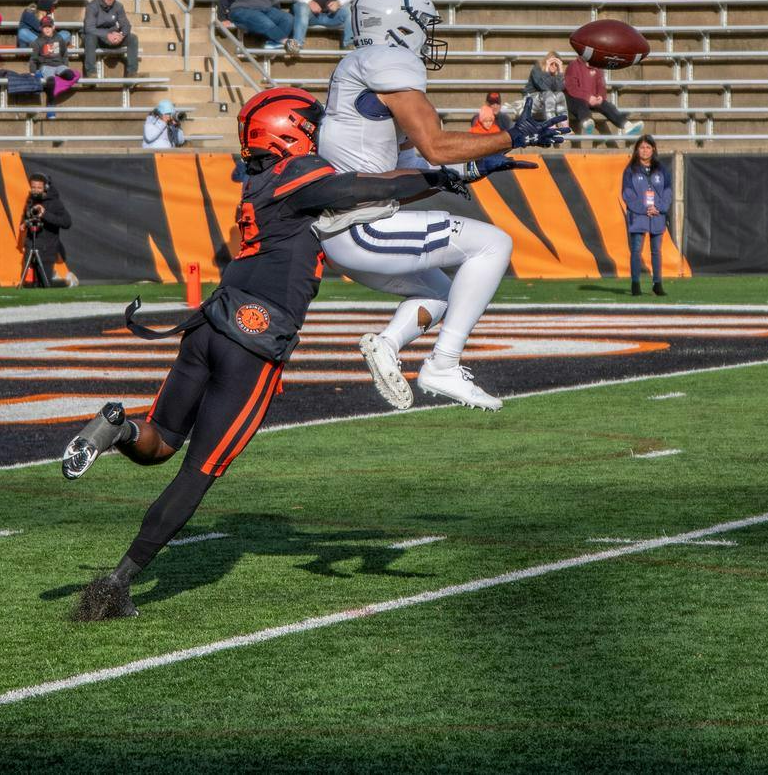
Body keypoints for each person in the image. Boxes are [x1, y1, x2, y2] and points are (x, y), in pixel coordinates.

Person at [60, 87, 483, 621]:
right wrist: (449, 173)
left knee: (160, 442)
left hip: (211, 323)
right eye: (310, 124)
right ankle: (116, 585)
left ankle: (117, 429)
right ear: (290, 131)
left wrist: (440, 170)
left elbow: (371, 190)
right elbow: (364, 186)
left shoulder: (262, 180)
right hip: (255, 338)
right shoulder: (294, 176)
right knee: (200, 471)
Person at [317, 0, 571, 411]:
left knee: (441, 293)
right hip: (360, 225)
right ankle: (443, 365)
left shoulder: (364, 69)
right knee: (494, 244)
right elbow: (435, 146)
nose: (428, 35)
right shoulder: (386, 59)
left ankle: (386, 345)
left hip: (351, 227)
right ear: (400, 24)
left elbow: (409, 162)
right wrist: (511, 136)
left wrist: (472, 167)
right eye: (423, 23)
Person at [622, 135, 672, 297]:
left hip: (657, 215)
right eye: (642, 147)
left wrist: (660, 207)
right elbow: (627, 194)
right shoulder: (630, 170)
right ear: (637, 150)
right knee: (636, 250)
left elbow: (668, 191)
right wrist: (644, 209)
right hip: (638, 215)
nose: (645, 151)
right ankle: (635, 284)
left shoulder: (661, 169)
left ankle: (657, 284)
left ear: (653, 149)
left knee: (656, 251)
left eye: (648, 147)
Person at [564, 49, 638, 135]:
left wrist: (600, 96)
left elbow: (601, 86)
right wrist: (588, 97)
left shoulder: (597, 67)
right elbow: (572, 88)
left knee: (608, 106)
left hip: (594, 99)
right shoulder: (573, 66)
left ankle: (627, 125)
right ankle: (587, 122)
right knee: (580, 104)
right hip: (577, 98)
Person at [19, 172, 74, 287]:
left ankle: (68, 282)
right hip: (31, 245)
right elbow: (26, 216)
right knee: (28, 285)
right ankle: (51, 276)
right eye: (33, 187)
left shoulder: (54, 202)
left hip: (47, 248)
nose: (35, 190)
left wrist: (45, 214)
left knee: (44, 284)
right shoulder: (30, 200)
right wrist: (24, 223)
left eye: (39, 187)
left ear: (46, 187)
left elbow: (66, 222)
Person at [82, 0, 138, 77]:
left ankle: (132, 72)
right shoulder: (92, 6)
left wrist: (121, 35)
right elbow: (89, 28)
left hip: (114, 37)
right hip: (98, 38)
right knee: (89, 37)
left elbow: (126, 25)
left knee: (133, 38)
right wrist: (107, 35)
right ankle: (91, 72)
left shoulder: (118, 6)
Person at [523, 49, 567, 120]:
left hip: (548, 100)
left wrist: (561, 71)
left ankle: (564, 124)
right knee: (548, 94)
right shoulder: (537, 69)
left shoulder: (557, 73)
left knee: (560, 95)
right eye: (551, 64)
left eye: (556, 65)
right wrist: (546, 70)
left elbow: (559, 89)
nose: (554, 66)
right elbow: (544, 87)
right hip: (532, 98)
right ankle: (551, 124)